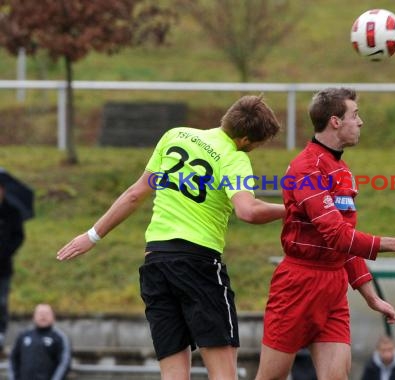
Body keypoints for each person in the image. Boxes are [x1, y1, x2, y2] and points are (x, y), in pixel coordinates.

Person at [56, 95, 285, 380]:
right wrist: (291, 209)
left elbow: (135, 193)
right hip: (198, 265)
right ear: (247, 140)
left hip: (156, 264)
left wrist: (92, 235)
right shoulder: (234, 157)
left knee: (173, 374)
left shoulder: (176, 135)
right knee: (224, 374)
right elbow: (248, 211)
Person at [254, 87, 395, 380]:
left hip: (334, 286)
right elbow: (337, 235)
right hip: (298, 285)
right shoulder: (305, 169)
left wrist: (371, 296)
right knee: (272, 377)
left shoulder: (343, 171)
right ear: (335, 121)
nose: (360, 122)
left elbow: (346, 241)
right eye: (355, 115)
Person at [8, 303, 71, 380]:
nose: (43, 316)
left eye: (47, 313)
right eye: (40, 313)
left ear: (53, 317)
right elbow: (13, 359)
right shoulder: (23, 336)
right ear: (33, 316)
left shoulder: (59, 337)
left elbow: (64, 363)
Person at [0, 182, 25, 352]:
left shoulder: (12, 212)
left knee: (1, 301)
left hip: (3, 266)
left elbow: (19, 236)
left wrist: (6, 251)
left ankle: (1, 332)